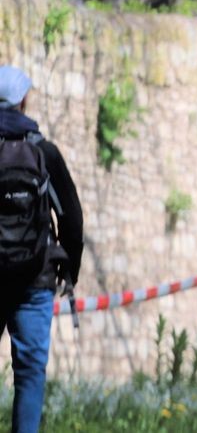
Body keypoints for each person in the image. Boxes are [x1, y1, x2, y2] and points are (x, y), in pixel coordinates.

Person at [0, 66, 84, 433]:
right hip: (36, 277)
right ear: (24, 101)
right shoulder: (44, 151)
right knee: (31, 371)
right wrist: (71, 270)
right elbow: (72, 217)